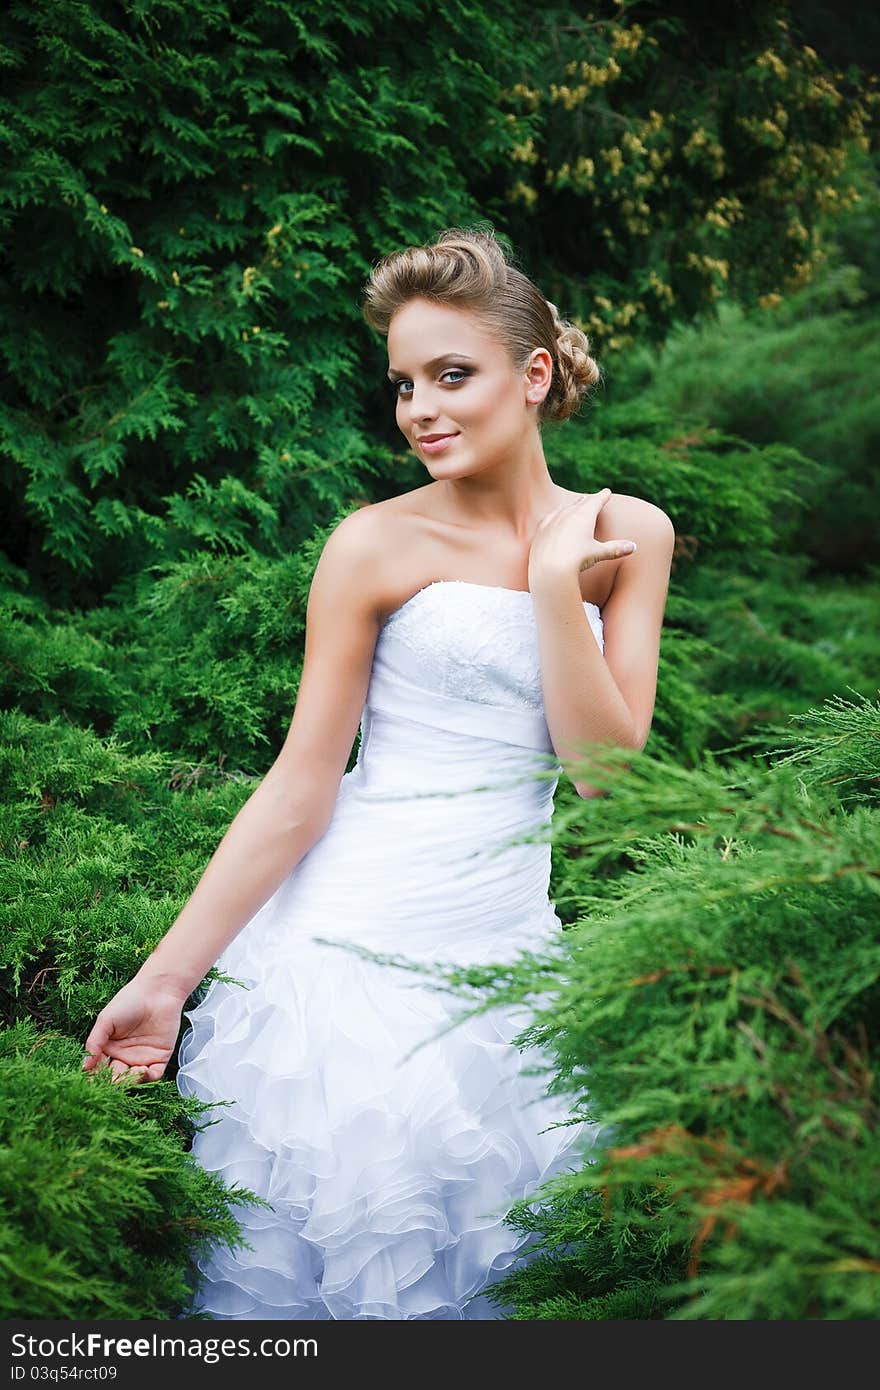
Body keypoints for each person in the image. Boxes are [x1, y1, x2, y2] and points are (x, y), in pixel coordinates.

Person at [81, 226, 674, 1320]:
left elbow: (608, 779)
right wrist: (164, 980)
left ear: (533, 374)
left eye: (452, 374)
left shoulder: (625, 532)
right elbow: (303, 780)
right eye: (404, 384)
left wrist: (554, 591)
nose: (420, 409)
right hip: (344, 969)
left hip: (508, 967)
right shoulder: (371, 545)